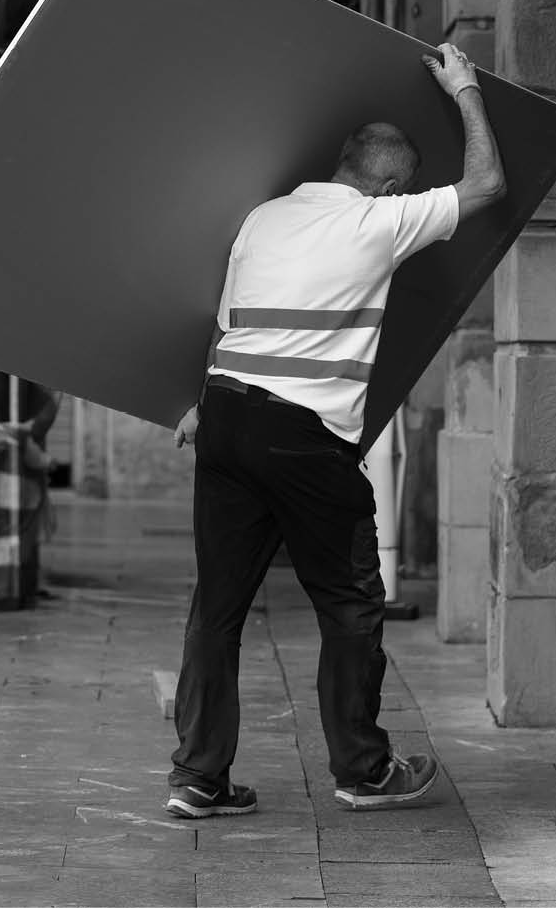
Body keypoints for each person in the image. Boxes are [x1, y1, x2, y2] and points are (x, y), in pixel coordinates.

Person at [163, 42, 507, 817]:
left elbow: (232, 322)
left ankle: (197, 779)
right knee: (350, 606)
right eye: (403, 189)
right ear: (388, 184)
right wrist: (465, 90)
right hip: (305, 438)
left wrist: (201, 404)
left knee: (216, 610)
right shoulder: (378, 222)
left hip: (226, 415)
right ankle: (363, 769)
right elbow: (489, 184)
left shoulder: (265, 216)